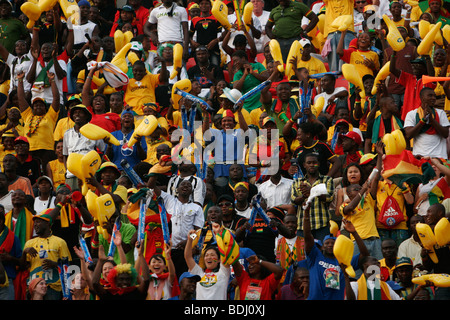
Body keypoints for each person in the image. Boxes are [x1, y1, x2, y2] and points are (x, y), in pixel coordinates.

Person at [303, 203, 369, 300]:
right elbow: (307, 236)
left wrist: (354, 233)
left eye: (333, 243)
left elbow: (365, 255)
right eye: (327, 243)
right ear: (322, 247)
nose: (330, 245)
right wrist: (306, 213)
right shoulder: (315, 257)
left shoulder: (344, 262)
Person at [147, 173, 204, 279]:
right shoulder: (169, 199)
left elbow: (198, 231)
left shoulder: (196, 208)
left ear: (192, 191)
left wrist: (188, 241)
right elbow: (151, 186)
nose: (186, 186)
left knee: (184, 278)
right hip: (169, 249)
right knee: (170, 278)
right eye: (183, 185)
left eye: (189, 186)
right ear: (177, 189)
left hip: (186, 251)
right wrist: (157, 171)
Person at [20, 210, 72, 300]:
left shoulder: (60, 242)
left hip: (52, 286)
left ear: (48, 224)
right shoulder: (29, 243)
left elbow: (69, 266)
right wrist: (24, 253)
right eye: (34, 222)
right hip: (34, 286)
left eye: (38, 222)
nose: (35, 224)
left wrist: (55, 264)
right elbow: (23, 267)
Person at [17, 70, 60, 171]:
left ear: (45, 108)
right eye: (35, 105)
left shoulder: (50, 116)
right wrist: (20, 80)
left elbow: (56, 98)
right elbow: (21, 98)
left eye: (41, 105)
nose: (38, 107)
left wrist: (52, 81)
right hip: (30, 151)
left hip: (47, 151)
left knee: (46, 174)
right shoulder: (28, 115)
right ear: (32, 108)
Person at [290, 152, 334, 242]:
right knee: (303, 254)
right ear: (304, 165)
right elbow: (293, 200)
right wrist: (303, 196)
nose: (312, 165)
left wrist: (312, 191)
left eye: (314, 162)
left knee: (322, 252)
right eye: (309, 163)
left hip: (322, 225)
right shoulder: (297, 182)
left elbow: (329, 198)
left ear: (319, 164)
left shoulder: (327, 180)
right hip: (302, 226)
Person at [185, 225, 231, 300]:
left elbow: (224, 253)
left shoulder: (223, 273)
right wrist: (190, 240)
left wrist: (218, 235)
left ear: (219, 260)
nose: (209, 257)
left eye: (212, 255)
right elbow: (188, 257)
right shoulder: (199, 273)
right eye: (206, 255)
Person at [404, 87, 450, 159]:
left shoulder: (441, 113)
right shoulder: (412, 114)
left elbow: (445, 134)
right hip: (420, 157)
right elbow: (408, 135)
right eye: (430, 95)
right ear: (422, 98)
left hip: (439, 157)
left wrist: (432, 120)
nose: (433, 98)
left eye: (434, 96)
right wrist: (423, 121)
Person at [0, 203, 22, 300]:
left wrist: (10, 258)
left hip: (6, 281)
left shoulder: (13, 238)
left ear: (1, 221)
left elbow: (22, 262)